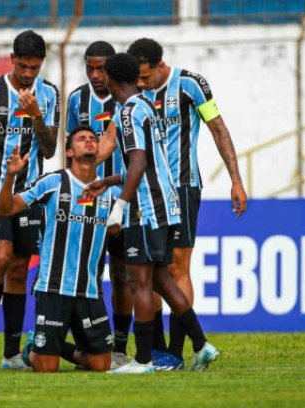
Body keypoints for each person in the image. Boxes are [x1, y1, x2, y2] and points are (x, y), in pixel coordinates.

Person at [126, 38, 247, 368]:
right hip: (144, 192)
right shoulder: (131, 94)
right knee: (149, 271)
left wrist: (236, 180)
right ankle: (156, 352)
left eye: (146, 77)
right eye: (136, 78)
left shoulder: (191, 85)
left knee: (177, 267)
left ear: (161, 67)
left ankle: (177, 352)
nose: (140, 84)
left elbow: (218, 129)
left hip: (182, 187)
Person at [95, 53, 218, 374]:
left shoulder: (128, 111)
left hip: (145, 208)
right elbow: (150, 161)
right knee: (161, 279)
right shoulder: (148, 105)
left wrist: (119, 206)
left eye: (104, 74)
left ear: (112, 78)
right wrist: (108, 180)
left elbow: (138, 162)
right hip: (167, 204)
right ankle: (202, 345)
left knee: (141, 284)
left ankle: (145, 361)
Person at [0, 29, 60, 370]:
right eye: (23, 66)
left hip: (30, 191)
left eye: (34, 67)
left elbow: (49, 149)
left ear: (41, 64)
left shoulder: (49, 94)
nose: (28, 73)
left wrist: (36, 115)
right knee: (0, 256)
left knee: (19, 268)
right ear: (12, 60)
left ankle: (11, 354)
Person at [0, 126, 118, 372]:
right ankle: (37, 349)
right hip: (53, 288)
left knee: (102, 366)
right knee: (46, 368)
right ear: (70, 152)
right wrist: (10, 176)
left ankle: (55, 346)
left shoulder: (111, 191)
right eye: (82, 139)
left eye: (93, 139)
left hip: (90, 290)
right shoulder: (53, 182)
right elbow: (5, 209)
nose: (89, 142)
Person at [66, 41, 131, 369]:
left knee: (122, 275)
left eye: (101, 68)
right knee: (90, 274)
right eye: (90, 68)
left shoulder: (127, 102)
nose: (95, 75)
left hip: (120, 200)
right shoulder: (77, 99)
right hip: (85, 203)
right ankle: (92, 344)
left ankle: (119, 345)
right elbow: (70, 153)